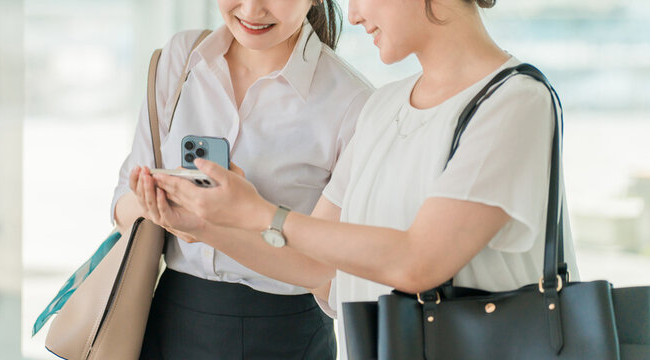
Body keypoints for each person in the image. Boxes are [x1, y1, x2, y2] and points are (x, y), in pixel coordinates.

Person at [146, 0, 580, 358]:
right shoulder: (383, 108)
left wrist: (259, 212)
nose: (351, 15)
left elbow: (417, 262)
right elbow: (315, 269)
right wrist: (204, 226)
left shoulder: (516, 101)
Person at [110, 0, 373, 357]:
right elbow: (122, 205)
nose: (251, 9)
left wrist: (226, 219)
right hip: (170, 321)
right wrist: (162, 207)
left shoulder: (353, 103)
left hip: (286, 335)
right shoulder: (182, 59)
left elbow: (333, 276)